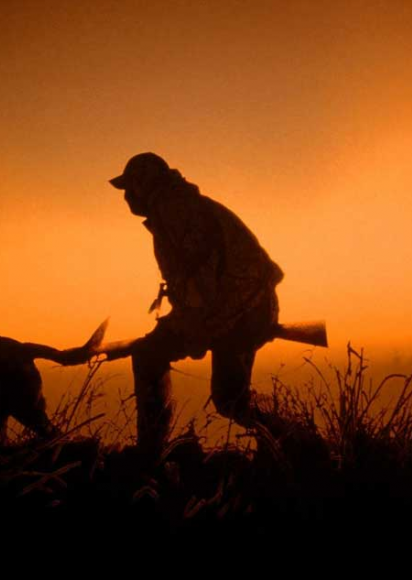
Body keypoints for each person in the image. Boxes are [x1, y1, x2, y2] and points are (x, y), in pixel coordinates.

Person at [109, 153, 284, 454]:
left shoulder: (177, 211)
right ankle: (290, 441)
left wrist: (195, 327)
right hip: (244, 308)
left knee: (151, 357)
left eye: (130, 188)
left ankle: (150, 452)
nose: (126, 197)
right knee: (232, 401)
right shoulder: (176, 208)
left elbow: (202, 274)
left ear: (145, 184)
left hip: (239, 312)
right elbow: (197, 280)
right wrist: (185, 322)